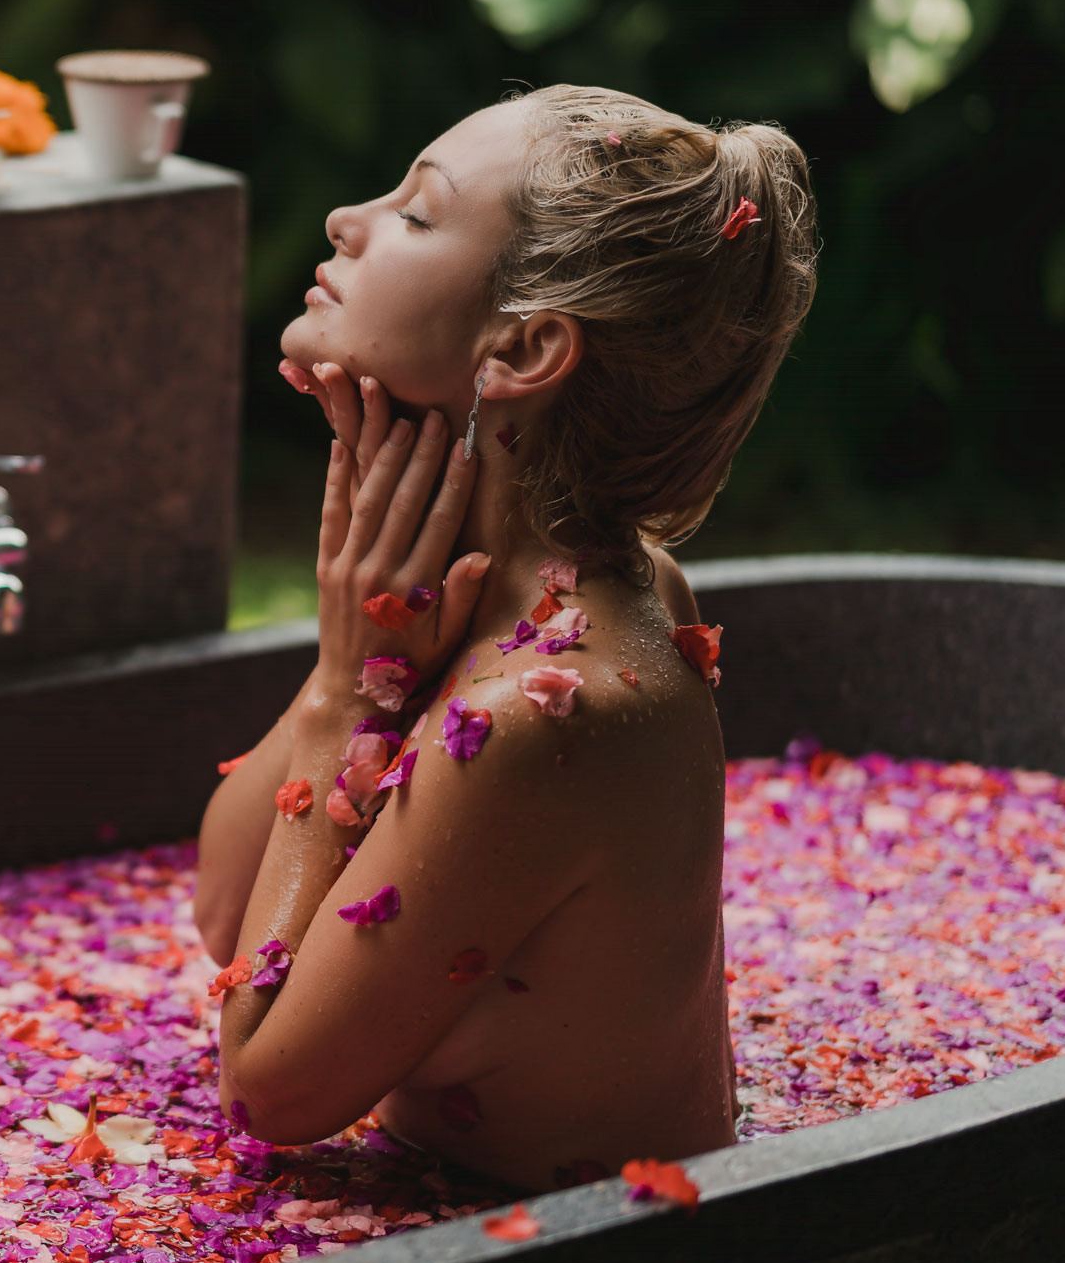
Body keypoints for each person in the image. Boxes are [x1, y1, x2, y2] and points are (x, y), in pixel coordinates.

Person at [195, 85, 817, 1189]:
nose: (347, 217)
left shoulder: (543, 710)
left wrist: (348, 694)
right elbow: (222, 913)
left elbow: (270, 1087)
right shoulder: (502, 606)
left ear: (526, 347)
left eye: (416, 213)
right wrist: (367, 654)